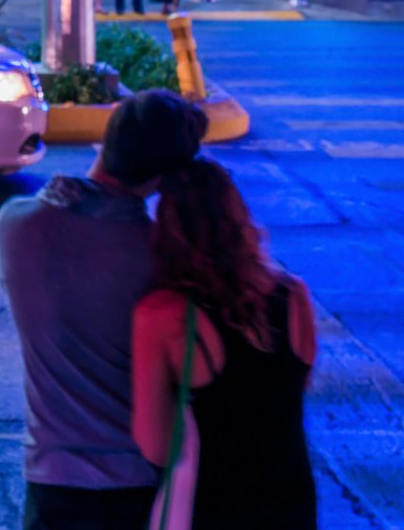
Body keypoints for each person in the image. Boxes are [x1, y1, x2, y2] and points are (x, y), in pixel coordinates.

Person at [0, 90, 209, 530]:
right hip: (137, 486)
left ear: (107, 137)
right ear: (164, 178)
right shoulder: (163, 258)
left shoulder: (16, 227)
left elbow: (68, 208)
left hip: (53, 483)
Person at [133, 159, 318, 530]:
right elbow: (293, 390)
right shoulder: (293, 295)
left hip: (215, 505)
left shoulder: (162, 315)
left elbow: (155, 443)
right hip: (291, 500)